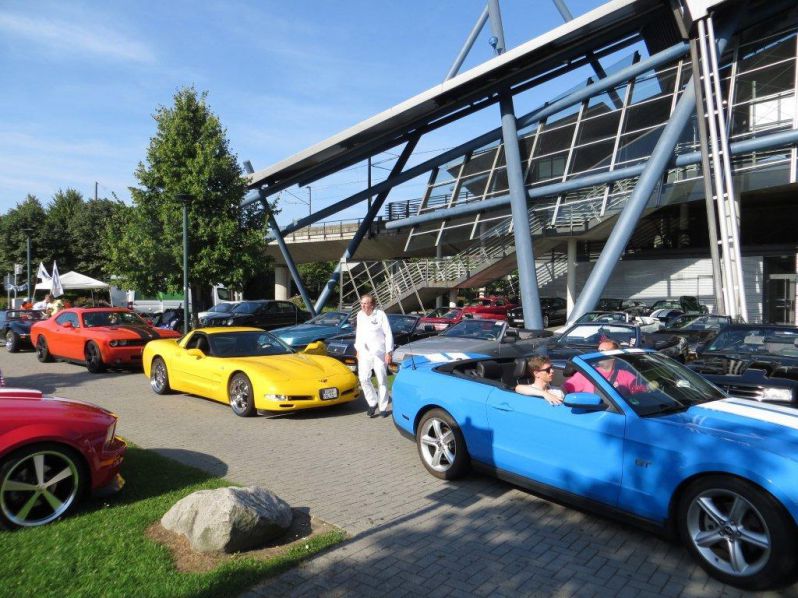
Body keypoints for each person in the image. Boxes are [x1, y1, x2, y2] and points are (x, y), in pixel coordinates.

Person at [354, 294, 394, 418]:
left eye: (366, 303)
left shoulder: (380, 314)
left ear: (372, 304)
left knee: (382, 380)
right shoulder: (359, 315)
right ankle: (372, 402)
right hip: (364, 352)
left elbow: (388, 333)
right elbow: (359, 333)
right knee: (363, 379)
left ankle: (383, 407)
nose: (363, 306)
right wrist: (358, 348)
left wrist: (389, 352)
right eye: (362, 303)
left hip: (379, 352)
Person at [563, 340, 646, 395]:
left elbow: (641, 393)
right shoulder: (587, 373)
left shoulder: (627, 376)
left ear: (614, 356)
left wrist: (650, 388)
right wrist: (549, 394)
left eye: (602, 352)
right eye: (598, 351)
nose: (598, 354)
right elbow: (564, 389)